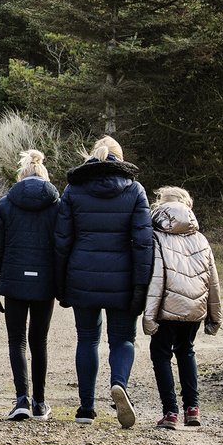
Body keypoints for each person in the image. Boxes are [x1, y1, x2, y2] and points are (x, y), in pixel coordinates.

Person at [53, 136, 153, 428]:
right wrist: (141, 285)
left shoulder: (74, 189)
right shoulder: (135, 190)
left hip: (82, 275)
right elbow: (143, 243)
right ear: (119, 160)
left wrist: (61, 283)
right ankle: (119, 384)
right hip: (122, 278)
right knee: (122, 339)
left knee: (87, 339)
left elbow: (62, 240)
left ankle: (85, 408)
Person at [0, 149, 60, 421]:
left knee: (17, 341)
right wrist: (61, 285)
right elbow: (62, 248)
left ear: (21, 176)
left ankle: (21, 400)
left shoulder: (6, 204)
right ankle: (40, 402)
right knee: (39, 341)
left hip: (14, 283)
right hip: (45, 284)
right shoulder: (56, 206)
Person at [142, 186, 222, 429]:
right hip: (195, 307)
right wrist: (214, 316)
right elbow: (213, 279)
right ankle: (192, 409)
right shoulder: (201, 238)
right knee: (186, 350)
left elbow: (156, 278)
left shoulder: (155, 236)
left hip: (167, 306)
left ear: (161, 207)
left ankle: (170, 412)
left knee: (161, 353)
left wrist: (149, 315)